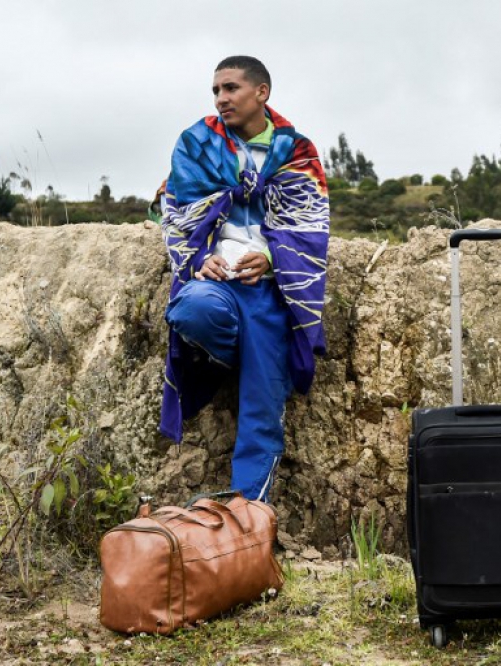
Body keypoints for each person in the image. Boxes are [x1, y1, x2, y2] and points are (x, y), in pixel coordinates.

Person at [157, 55, 330, 503]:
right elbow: (177, 212)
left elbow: (310, 224)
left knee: (263, 409)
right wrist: (201, 257)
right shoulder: (197, 144)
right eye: (216, 90)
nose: (221, 98)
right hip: (216, 280)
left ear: (261, 92)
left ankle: (250, 515)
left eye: (231, 88)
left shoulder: (297, 152)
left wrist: (271, 258)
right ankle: (231, 356)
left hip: (270, 288)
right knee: (192, 309)